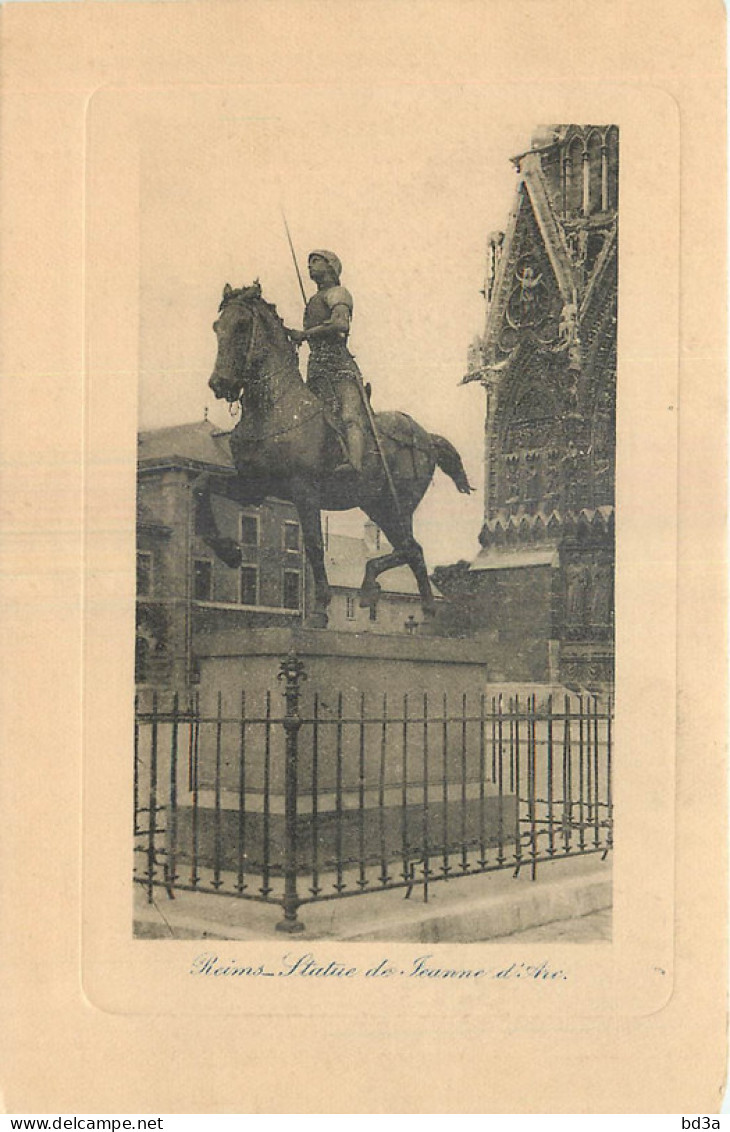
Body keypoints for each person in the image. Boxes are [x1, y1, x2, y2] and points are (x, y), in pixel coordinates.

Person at [288, 250, 366, 476]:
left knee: (349, 415)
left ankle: (355, 463)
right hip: (316, 367)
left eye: (315, 261)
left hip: (339, 366)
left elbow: (341, 324)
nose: (310, 266)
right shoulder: (314, 300)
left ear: (331, 266)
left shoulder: (338, 293)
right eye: (308, 262)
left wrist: (305, 334)